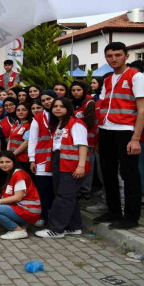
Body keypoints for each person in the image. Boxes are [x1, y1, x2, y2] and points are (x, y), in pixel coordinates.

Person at [94, 42, 144, 229]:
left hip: (126, 131)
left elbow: (142, 110)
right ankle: (114, 211)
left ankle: (131, 217)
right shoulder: (108, 79)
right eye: (109, 56)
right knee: (108, 173)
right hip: (106, 130)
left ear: (127, 56)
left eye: (117, 55)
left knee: (129, 174)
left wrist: (135, 138)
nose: (113, 59)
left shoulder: (137, 76)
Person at [35, 97, 89, 238]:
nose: (58, 108)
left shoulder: (76, 123)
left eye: (61, 106)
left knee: (63, 197)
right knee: (67, 196)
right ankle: (74, 226)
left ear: (68, 108)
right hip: (59, 161)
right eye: (55, 106)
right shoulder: (59, 125)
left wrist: (81, 166)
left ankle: (56, 229)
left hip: (71, 164)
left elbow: (83, 145)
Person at [0, 151, 41, 240]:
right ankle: (23, 224)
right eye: (1, 162)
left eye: (8, 162)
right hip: (20, 208)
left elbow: (18, 197)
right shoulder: (9, 173)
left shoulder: (19, 174)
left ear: (14, 162)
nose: (4, 165)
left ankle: (18, 230)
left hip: (29, 210)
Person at [28, 90, 57, 227]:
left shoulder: (63, 114)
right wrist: (32, 159)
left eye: (49, 99)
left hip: (59, 158)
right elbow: (32, 140)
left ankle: (56, 217)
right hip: (42, 159)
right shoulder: (38, 118)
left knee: (56, 190)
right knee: (43, 190)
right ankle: (44, 216)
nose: (46, 102)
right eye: (43, 100)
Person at [7, 103, 32, 171]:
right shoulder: (16, 124)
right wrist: (8, 153)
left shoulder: (29, 125)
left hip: (23, 158)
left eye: (24, 110)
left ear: (28, 111)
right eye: (18, 110)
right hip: (13, 157)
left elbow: (26, 143)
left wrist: (13, 154)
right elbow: (10, 139)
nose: (20, 112)